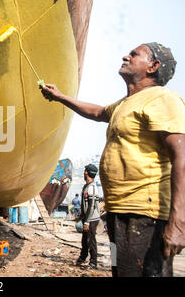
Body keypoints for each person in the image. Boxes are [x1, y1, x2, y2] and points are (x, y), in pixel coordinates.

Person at [40, 42, 185, 277]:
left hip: (144, 214)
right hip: (119, 213)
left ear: (153, 66)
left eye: (134, 54)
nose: (125, 56)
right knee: (122, 271)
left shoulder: (162, 99)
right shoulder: (126, 103)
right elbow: (98, 113)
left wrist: (179, 224)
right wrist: (59, 97)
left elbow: (182, 158)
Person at [76, 164, 101, 269]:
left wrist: (87, 221)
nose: (84, 172)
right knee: (85, 239)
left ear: (86, 172)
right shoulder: (86, 186)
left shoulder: (92, 188)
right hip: (86, 217)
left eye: (85, 170)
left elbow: (91, 207)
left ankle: (93, 262)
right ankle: (82, 258)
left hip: (92, 219)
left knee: (91, 240)